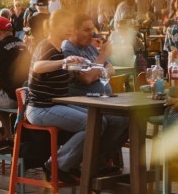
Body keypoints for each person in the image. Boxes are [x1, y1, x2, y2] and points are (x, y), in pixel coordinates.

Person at [25, 10, 128, 184]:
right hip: (41, 108)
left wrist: (75, 65)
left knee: (99, 121)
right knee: (91, 123)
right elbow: (38, 66)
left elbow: (84, 74)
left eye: (69, 26)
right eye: (65, 26)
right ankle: (56, 164)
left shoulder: (60, 49)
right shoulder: (47, 46)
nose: (68, 29)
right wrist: (65, 62)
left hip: (57, 104)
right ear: (54, 26)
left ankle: (77, 162)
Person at [62, 14, 121, 98]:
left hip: (103, 100)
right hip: (84, 104)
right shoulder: (68, 50)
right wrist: (103, 54)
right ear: (74, 31)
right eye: (86, 30)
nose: (91, 34)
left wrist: (95, 73)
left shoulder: (90, 46)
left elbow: (111, 69)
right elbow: (87, 78)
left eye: (92, 30)